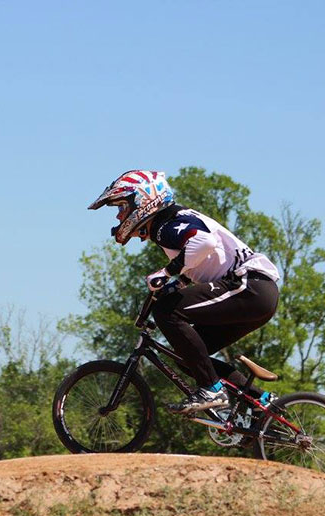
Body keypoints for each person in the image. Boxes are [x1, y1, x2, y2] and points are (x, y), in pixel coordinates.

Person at [88, 170, 280, 414]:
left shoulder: (165, 225)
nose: (118, 215)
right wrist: (176, 283)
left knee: (168, 312)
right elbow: (203, 264)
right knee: (190, 357)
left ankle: (211, 390)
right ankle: (262, 406)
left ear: (142, 202)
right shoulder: (174, 221)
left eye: (122, 207)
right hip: (256, 294)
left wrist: (168, 272)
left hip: (249, 287)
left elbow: (205, 243)